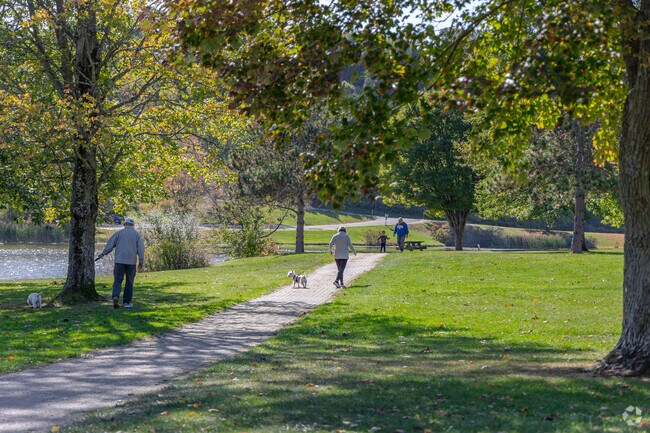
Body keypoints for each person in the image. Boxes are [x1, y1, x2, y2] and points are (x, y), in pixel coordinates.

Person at [96, 217, 145, 309]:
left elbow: (110, 245)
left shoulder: (119, 233)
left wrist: (103, 253)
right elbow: (141, 249)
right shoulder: (136, 235)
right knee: (129, 282)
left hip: (119, 261)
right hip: (131, 262)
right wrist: (141, 261)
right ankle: (127, 302)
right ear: (133, 225)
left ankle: (115, 296)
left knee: (118, 280)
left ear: (124, 224)